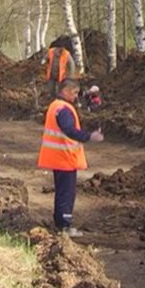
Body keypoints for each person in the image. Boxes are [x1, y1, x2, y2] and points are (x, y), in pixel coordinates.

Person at [37, 78, 104, 238]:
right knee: (66, 193)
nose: (76, 97)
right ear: (65, 91)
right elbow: (69, 130)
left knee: (62, 192)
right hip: (64, 158)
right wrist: (89, 136)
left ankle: (60, 223)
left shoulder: (56, 105)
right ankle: (64, 227)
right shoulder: (64, 109)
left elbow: (66, 128)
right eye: (74, 93)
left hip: (59, 157)